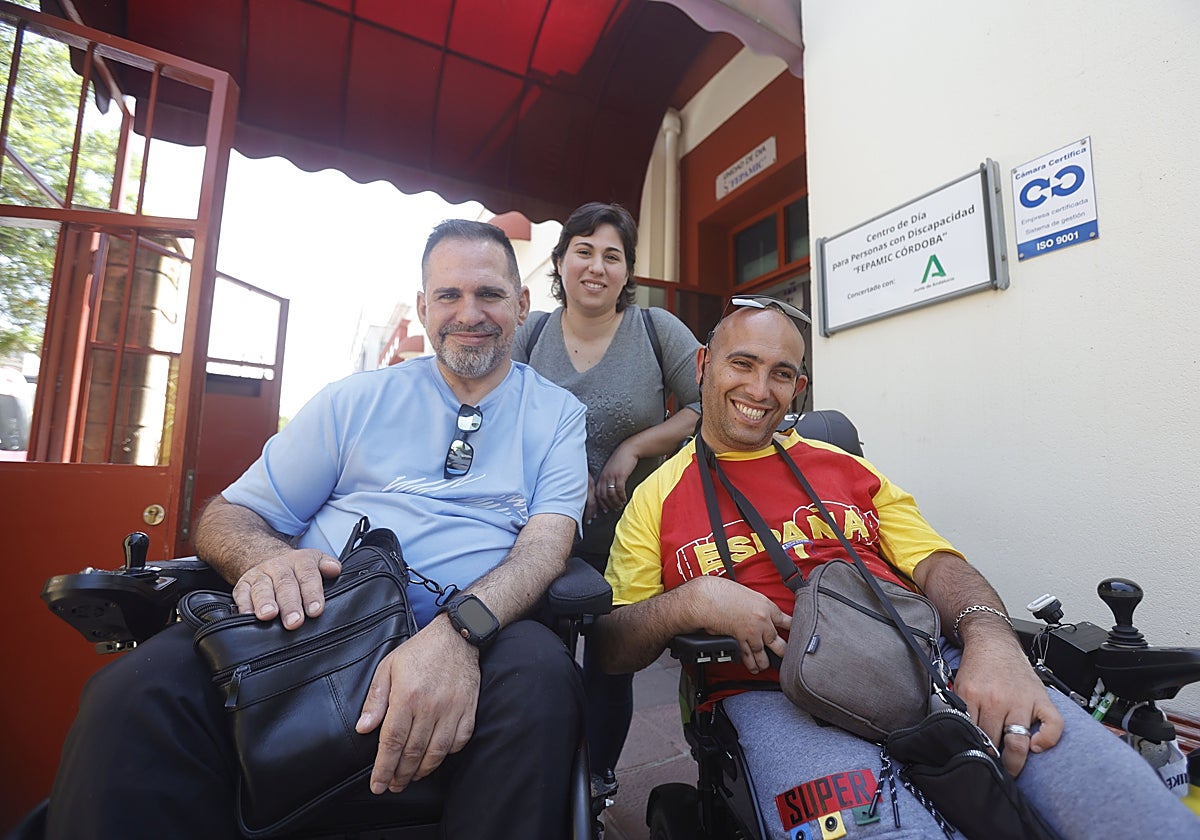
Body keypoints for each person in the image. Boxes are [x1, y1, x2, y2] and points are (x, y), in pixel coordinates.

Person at [46, 220, 590, 840]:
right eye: (448, 295)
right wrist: (265, 559)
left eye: (490, 294)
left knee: (544, 677)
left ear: (521, 305)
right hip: (319, 621)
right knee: (132, 695)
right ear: (423, 306)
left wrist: (460, 631)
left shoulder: (557, 415)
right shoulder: (352, 401)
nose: (469, 313)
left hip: (480, 626)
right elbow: (229, 515)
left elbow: (548, 545)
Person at [593, 296, 1200, 839]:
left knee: (1128, 810)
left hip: (927, 658)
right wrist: (693, 601)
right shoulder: (657, 499)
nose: (760, 389)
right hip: (771, 693)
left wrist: (992, 642)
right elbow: (612, 649)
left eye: (782, 374)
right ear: (703, 366)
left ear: (798, 388)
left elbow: (937, 563)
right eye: (742, 364)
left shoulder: (843, 467)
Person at [511, 201, 701, 792]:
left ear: (627, 271)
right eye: (583, 251)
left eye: (612, 256)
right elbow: (495, 418)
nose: (596, 267)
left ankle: (597, 779)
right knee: (530, 657)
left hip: (631, 535)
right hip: (539, 531)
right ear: (561, 261)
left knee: (611, 663)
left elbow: (703, 408)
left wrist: (635, 446)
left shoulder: (656, 328)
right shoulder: (531, 333)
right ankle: (531, 776)